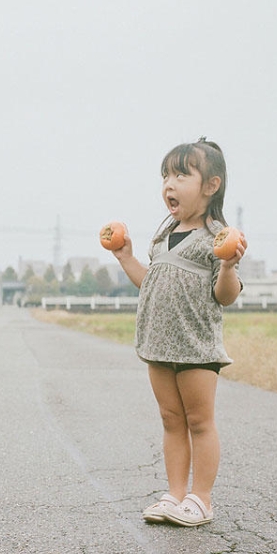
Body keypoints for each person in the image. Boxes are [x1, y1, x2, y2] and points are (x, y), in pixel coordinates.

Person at [109, 137, 246, 527]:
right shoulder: (163, 235)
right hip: (158, 344)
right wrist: (125, 257)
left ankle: (201, 499)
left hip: (196, 346)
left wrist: (229, 267)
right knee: (171, 420)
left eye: (181, 175)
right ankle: (175, 494)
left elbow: (226, 296)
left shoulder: (218, 238)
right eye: (165, 176)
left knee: (199, 422)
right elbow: (150, 283)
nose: (169, 184)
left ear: (210, 186)